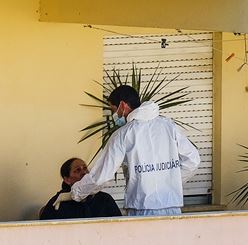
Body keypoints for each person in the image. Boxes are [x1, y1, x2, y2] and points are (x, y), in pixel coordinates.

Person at [70, 85, 200, 216]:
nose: (114, 115)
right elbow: (193, 161)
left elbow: (101, 176)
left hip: (142, 209)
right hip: (172, 207)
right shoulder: (169, 126)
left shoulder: (123, 134)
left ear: (122, 105)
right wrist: (168, 181)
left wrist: (76, 193)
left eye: (113, 110)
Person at [39, 157, 121, 220]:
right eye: (77, 170)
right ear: (67, 180)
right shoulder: (58, 202)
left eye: (85, 168)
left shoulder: (104, 199)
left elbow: (120, 225)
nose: (84, 172)